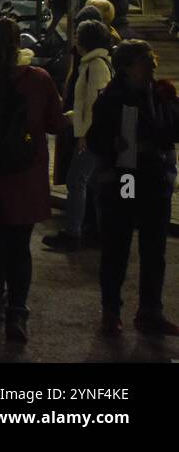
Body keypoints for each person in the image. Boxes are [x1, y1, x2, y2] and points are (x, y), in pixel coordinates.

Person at [0, 16, 66, 343]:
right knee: (20, 246)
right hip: (26, 174)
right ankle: (17, 312)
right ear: (19, 44)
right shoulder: (38, 80)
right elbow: (54, 123)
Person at [86, 39, 179, 336]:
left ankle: (150, 311)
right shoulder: (114, 99)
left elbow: (171, 131)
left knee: (155, 250)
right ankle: (111, 311)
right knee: (117, 248)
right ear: (127, 67)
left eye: (152, 57)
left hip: (156, 181)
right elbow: (101, 142)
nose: (153, 63)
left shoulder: (160, 93)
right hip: (124, 182)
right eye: (146, 59)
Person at [44, 19, 113, 253]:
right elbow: (85, 105)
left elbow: (95, 104)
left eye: (78, 35)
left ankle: (73, 233)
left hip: (91, 137)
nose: (74, 38)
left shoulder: (96, 66)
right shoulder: (90, 63)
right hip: (89, 133)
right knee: (90, 182)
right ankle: (96, 231)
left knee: (76, 180)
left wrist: (84, 134)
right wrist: (71, 117)